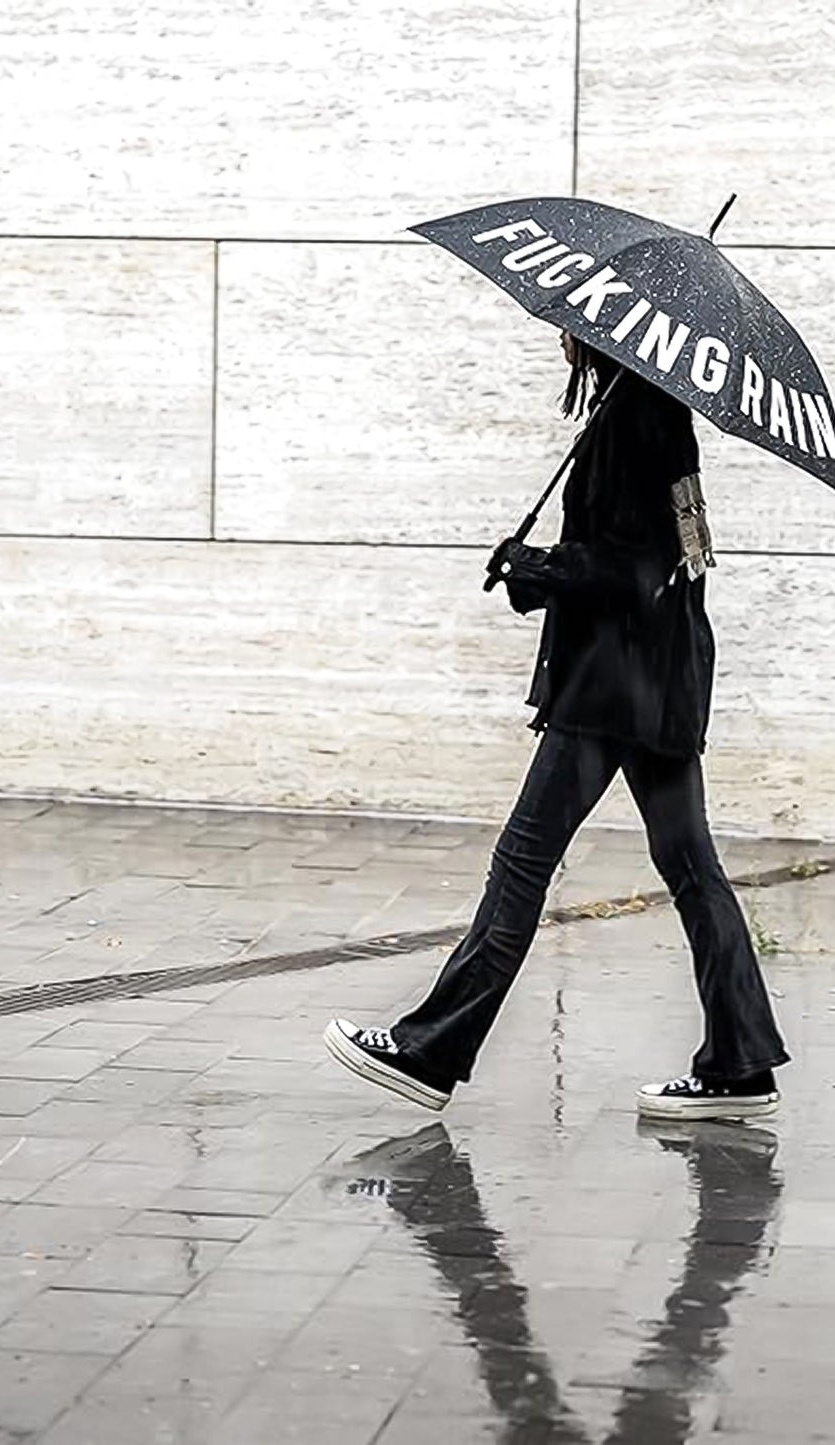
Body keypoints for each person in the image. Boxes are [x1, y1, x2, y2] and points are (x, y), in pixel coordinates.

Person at [324, 332, 788, 1120]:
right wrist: (534, 571)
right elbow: (659, 557)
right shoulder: (651, 411)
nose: (562, 337)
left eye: (574, 326)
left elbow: (631, 567)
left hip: (613, 687)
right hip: (659, 679)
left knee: (522, 861)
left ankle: (430, 1051)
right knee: (691, 869)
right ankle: (739, 1064)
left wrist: (536, 567)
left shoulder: (633, 418)